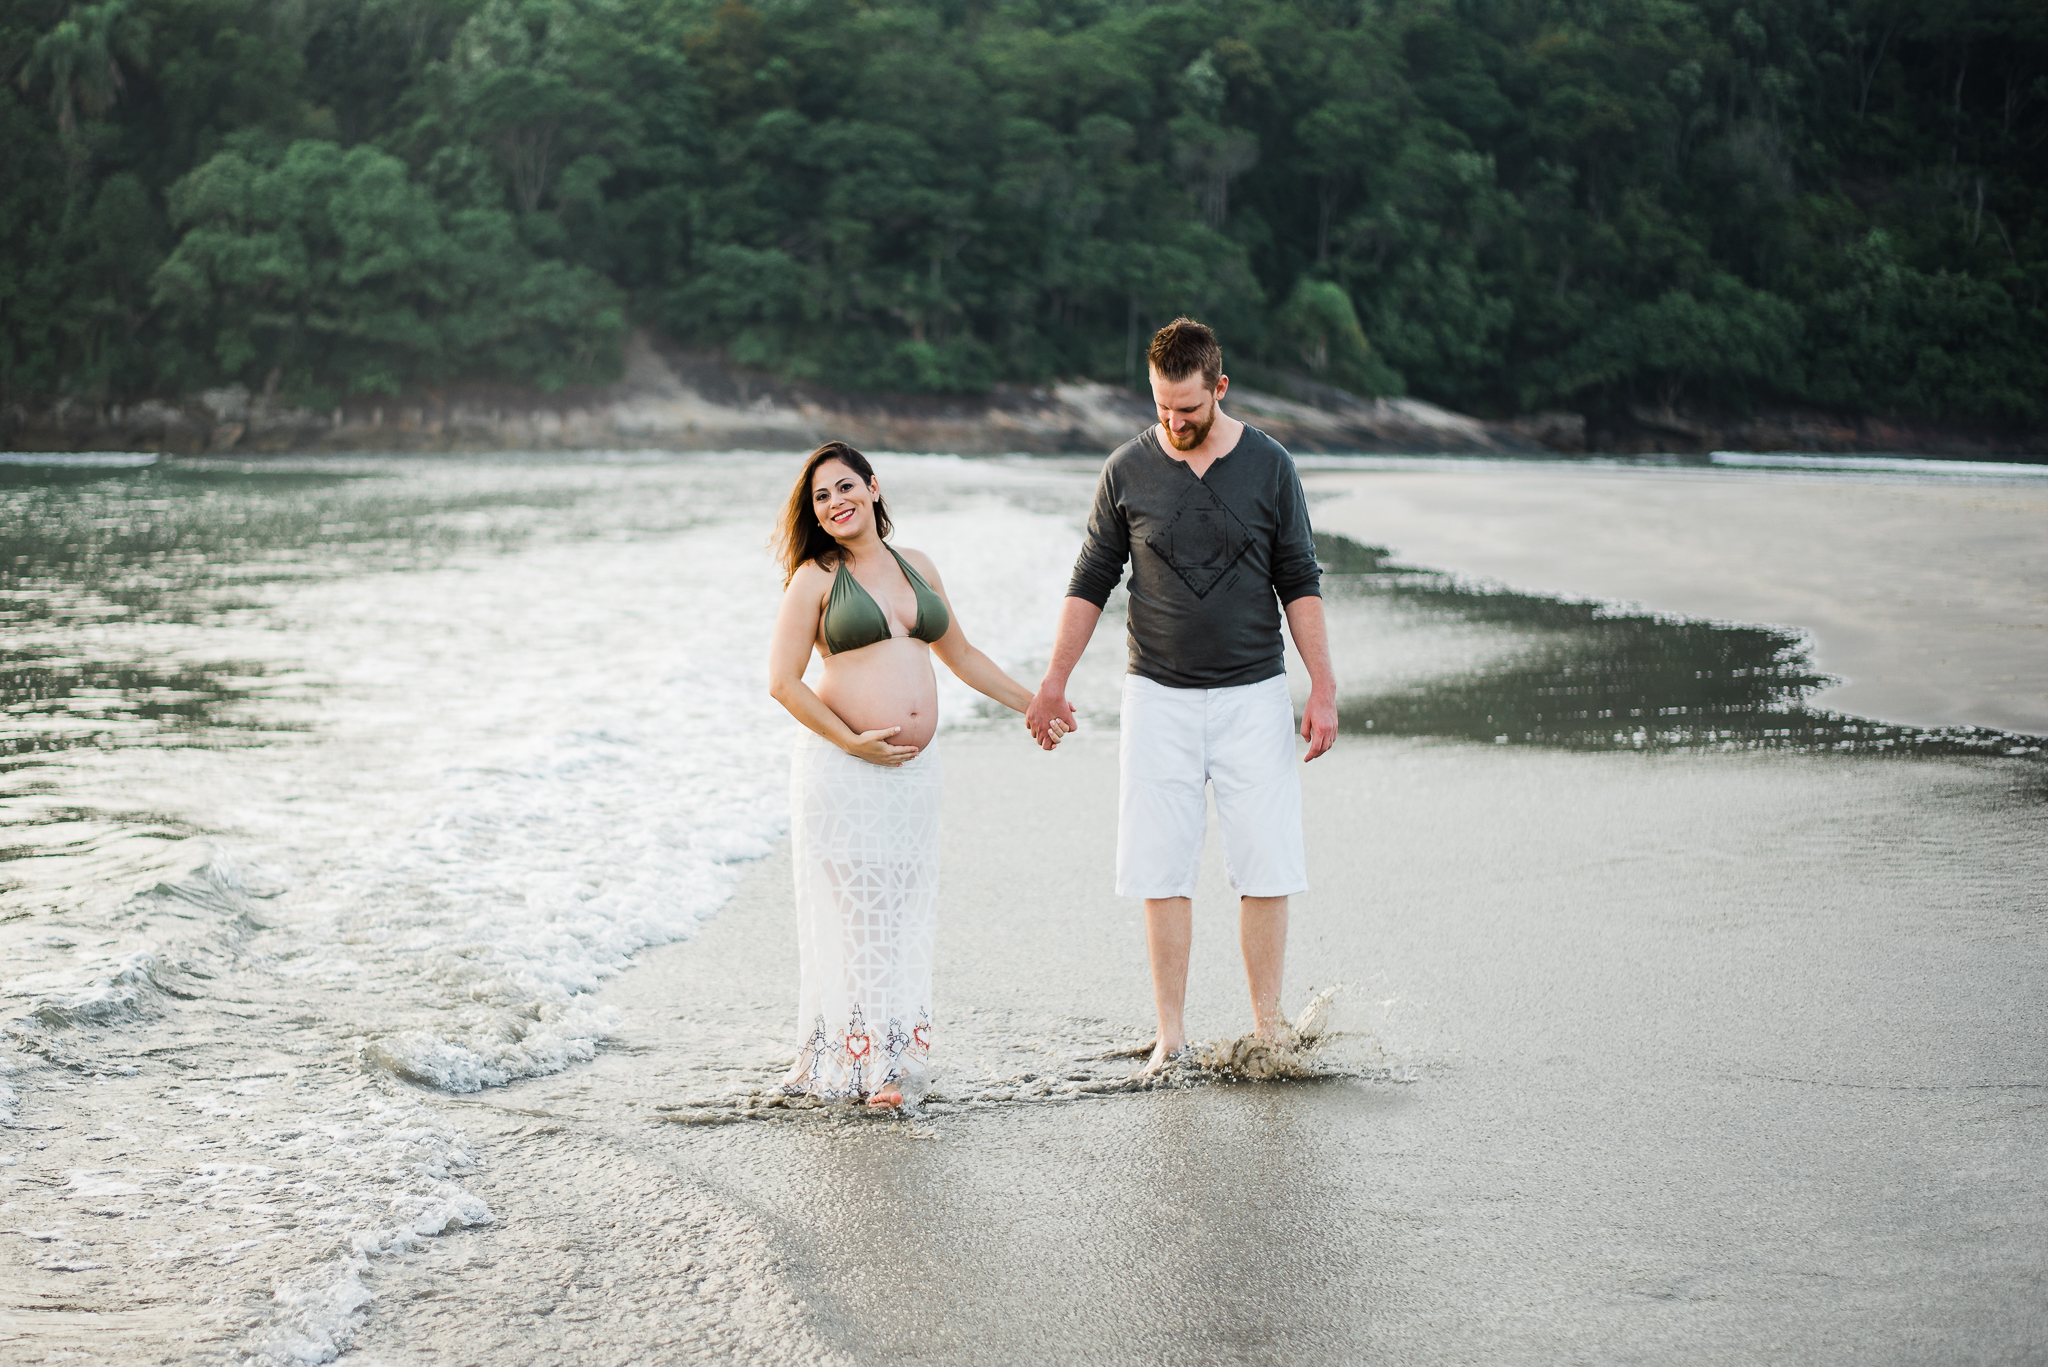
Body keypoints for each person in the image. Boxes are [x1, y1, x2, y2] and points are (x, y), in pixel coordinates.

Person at [1025, 317, 1337, 1074]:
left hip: (1253, 693)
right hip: (1156, 696)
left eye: (1189, 408)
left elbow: (1299, 581)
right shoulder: (1126, 470)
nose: (1173, 421)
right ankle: (1171, 1033)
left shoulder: (1270, 466)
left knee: (1266, 865)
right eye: (1162, 406)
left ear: (1219, 387)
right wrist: (1054, 680)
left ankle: (1267, 1030)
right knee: (1159, 868)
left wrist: (1322, 687)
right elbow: (1090, 581)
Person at [768, 441, 1054, 1108]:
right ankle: (873, 1067)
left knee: (898, 914)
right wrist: (851, 741)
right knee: (860, 918)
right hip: (844, 771)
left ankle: (886, 1056)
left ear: (873, 486)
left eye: (845, 486)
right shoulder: (814, 578)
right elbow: (782, 682)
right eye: (821, 497)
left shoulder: (917, 566)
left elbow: (963, 656)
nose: (835, 502)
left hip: (914, 778)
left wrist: (1034, 704)